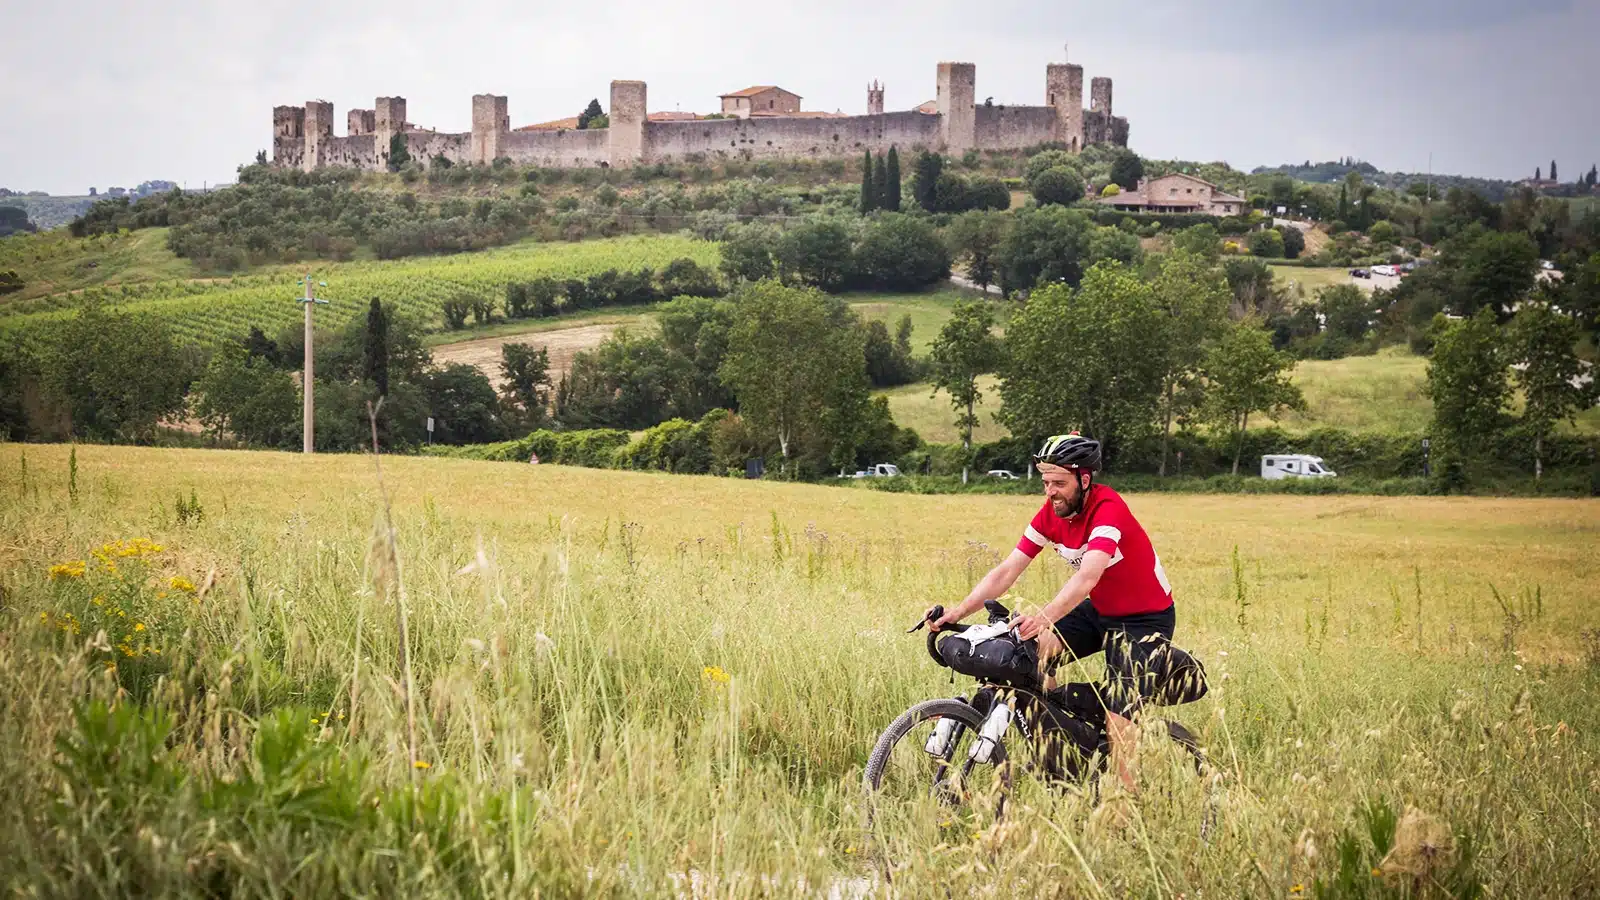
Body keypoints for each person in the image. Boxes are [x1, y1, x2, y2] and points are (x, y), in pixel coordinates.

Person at [928, 433, 1180, 793]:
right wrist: (958, 609)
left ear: (1085, 479)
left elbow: (1088, 576)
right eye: (1046, 482)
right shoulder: (1051, 513)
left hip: (1144, 618)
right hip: (1100, 611)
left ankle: (1125, 805)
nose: (1050, 491)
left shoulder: (1109, 509)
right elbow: (1007, 570)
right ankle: (1059, 751)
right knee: (1034, 652)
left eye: (1059, 483)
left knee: (1118, 718)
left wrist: (1044, 615)